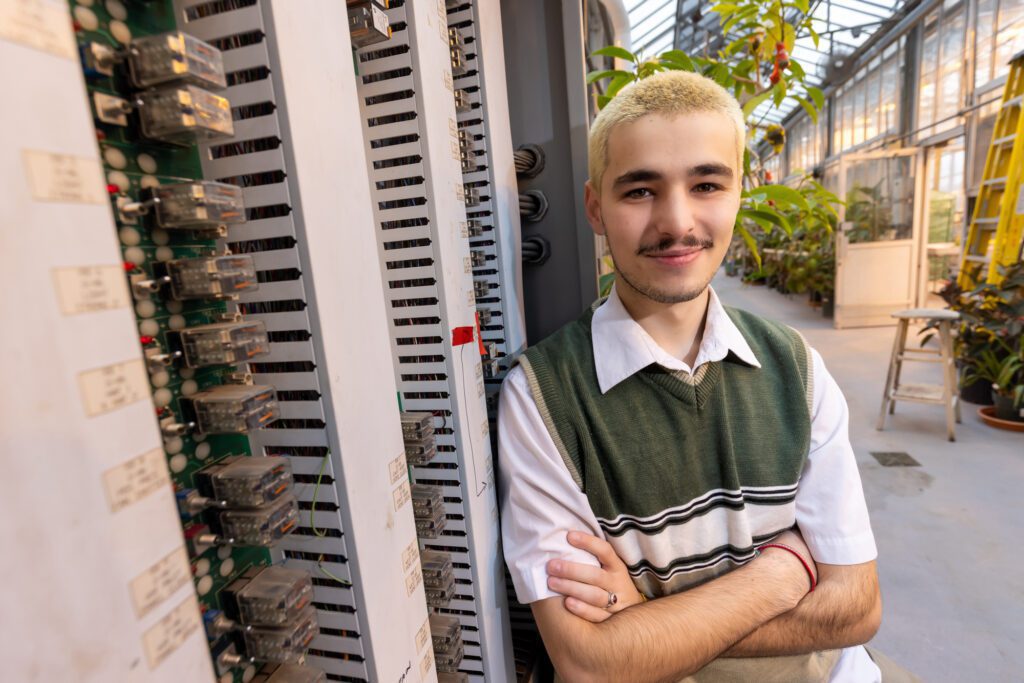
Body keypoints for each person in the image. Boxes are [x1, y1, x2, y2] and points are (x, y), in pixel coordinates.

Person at [497, 70, 916, 682]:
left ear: (738, 192)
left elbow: (856, 609)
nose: (677, 222)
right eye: (640, 190)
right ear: (595, 207)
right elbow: (590, 662)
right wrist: (785, 573)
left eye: (706, 184)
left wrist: (650, 622)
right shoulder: (542, 400)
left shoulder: (793, 365)